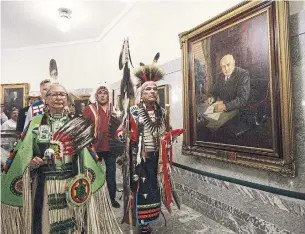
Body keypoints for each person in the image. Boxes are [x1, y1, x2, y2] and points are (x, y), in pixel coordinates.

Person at [1, 84, 122, 234]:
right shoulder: (35, 122)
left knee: (73, 224)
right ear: (46, 99)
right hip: (45, 184)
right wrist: (32, 162)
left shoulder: (75, 123)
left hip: (71, 183)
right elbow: (22, 153)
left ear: (67, 99)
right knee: (46, 225)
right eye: (54, 94)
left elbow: (86, 152)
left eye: (62, 94)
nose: (59, 97)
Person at [116, 53, 183, 234]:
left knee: (154, 189)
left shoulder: (161, 112)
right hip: (139, 161)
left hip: (157, 160)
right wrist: (124, 136)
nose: (152, 91)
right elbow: (120, 131)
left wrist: (170, 137)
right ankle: (142, 221)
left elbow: (165, 130)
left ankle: (150, 218)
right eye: (148, 89)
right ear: (141, 93)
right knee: (140, 189)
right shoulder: (134, 112)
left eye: (154, 89)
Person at [83, 86, 124, 208]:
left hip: (111, 148)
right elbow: (84, 129)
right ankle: (93, 198)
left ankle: (111, 198)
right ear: (95, 95)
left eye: (105, 93)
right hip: (94, 147)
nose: (102, 95)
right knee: (94, 172)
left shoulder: (114, 109)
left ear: (108, 95)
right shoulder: (89, 109)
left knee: (111, 173)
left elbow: (120, 129)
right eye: (99, 93)